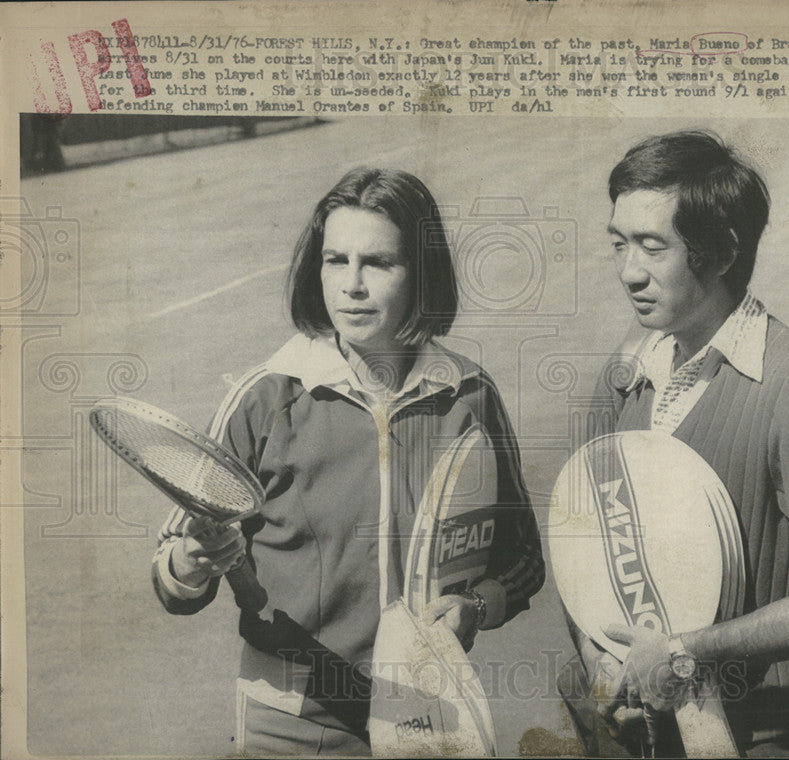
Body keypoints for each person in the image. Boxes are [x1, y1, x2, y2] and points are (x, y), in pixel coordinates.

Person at [150, 168, 545, 756]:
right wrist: (191, 560)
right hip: (291, 721)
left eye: (378, 263)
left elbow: (522, 561)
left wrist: (478, 606)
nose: (352, 285)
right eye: (336, 260)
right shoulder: (265, 398)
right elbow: (171, 582)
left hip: (431, 710)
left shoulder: (469, 395)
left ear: (421, 273)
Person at [559, 131, 789, 757]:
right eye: (618, 244)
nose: (629, 272)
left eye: (653, 247)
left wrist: (687, 652)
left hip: (760, 737)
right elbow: (585, 551)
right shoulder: (622, 377)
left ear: (722, 250)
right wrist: (599, 661)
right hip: (630, 739)